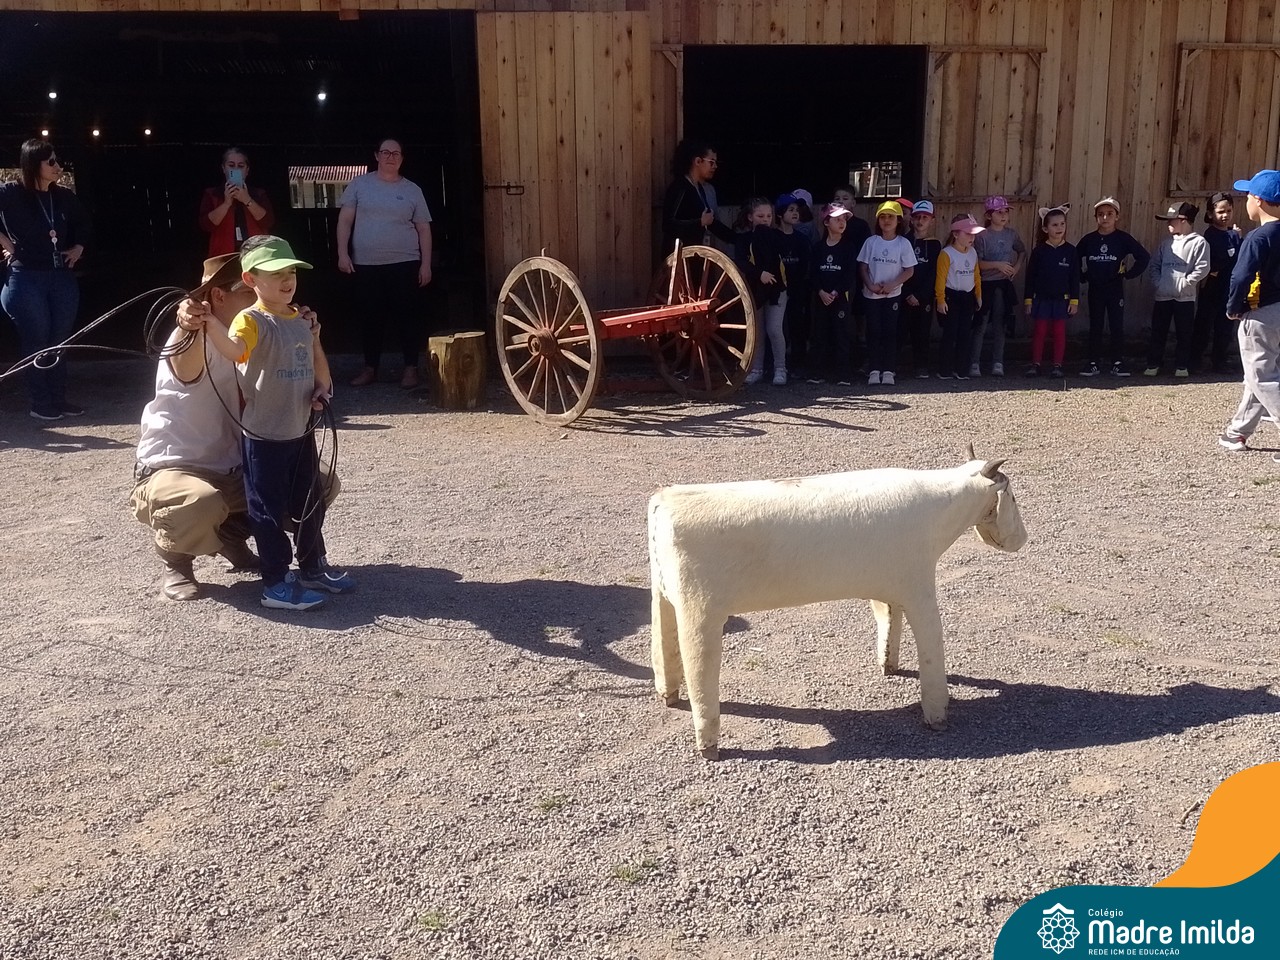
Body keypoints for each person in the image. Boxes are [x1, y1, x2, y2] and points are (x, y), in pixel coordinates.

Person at [132, 253, 341, 601]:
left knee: (318, 483)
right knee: (197, 503)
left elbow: (316, 384)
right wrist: (187, 323)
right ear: (218, 296)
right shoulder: (191, 336)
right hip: (180, 468)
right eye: (248, 289)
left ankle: (232, 538)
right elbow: (185, 370)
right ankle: (176, 560)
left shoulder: (265, 329)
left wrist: (309, 335)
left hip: (242, 464)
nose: (261, 295)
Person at [204, 235, 354, 611]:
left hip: (300, 430)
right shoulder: (250, 320)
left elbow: (321, 378)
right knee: (267, 510)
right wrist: (209, 324)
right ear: (251, 279)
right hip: (265, 435)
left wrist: (319, 383)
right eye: (275, 273)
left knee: (309, 500)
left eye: (291, 272)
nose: (287, 280)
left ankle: (313, 565)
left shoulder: (299, 319)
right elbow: (235, 351)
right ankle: (275, 582)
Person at [0, 138, 91, 421]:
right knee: (37, 339)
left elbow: (84, 222)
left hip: (60, 275)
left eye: (57, 160)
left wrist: (79, 247)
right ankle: (40, 403)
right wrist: (3, 240)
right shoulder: (11, 192)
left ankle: (58, 399)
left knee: (60, 340)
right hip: (25, 277)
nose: (57, 166)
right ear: (33, 164)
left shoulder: (62, 196)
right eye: (50, 162)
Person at [337, 138, 434, 390]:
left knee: (407, 316)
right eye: (386, 152)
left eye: (396, 153)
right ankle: (370, 369)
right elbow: (345, 221)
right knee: (370, 317)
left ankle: (411, 368)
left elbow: (424, 229)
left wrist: (426, 264)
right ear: (376, 156)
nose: (391, 157)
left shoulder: (412, 190)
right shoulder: (359, 185)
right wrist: (342, 253)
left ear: (402, 158)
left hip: (405, 263)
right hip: (366, 265)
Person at [1218, 170, 1280, 457]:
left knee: (1262, 376)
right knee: (1259, 374)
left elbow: (1241, 276)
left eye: (1248, 197)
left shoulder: (1258, 237)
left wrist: (1233, 307)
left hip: (1262, 313)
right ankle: (1238, 431)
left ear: (1258, 200)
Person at [1076, 196, 1150, 377]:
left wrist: (1129, 274)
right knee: (1096, 325)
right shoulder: (1089, 240)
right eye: (1100, 214)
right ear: (1095, 217)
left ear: (1117, 216)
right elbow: (1074, 258)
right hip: (1095, 288)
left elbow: (1143, 257)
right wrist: (1082, 276)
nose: (1105, 218)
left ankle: (1117, 362)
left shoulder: (1123, 239)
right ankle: (1093, 362)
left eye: (1110, 214)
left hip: (1115, 288)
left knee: (1116, 325)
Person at [1145, 201, 1210, 378]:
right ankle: (1153, 363)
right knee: (1158, 331)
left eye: (1171, 220)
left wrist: (1187, 282)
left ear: (1184, 220)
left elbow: (1203, 267)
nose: (1168, 223)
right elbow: (1154, 265)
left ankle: (1182, 365)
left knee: (1184, 333)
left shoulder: (1199, 242)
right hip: (1163, 296)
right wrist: (1159, 283)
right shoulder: (1166, 244)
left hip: (1185, 298)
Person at [857, 200, 916, 386]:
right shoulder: (871, 242)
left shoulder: (903, 244)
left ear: (899, 220)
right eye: (882, 216)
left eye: (891, 216)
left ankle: (889, 370)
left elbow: (909, 270)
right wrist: (870, 285)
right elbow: (863, 267)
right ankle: (874, 370)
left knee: (890, 332)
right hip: (871, 295)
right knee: (874, 331)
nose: (886, 220)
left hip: (893, 295)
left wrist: (893, 284)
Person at [734, 197, 787, 385]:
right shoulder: (743, 239)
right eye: (760, 216)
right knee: (757, 331)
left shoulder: (777, 237)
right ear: (750, 217)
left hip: (776, 290)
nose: (765, 219)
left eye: (768, 216)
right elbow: (741, 262)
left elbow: (780, 260)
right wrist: (759, 274)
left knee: (774, 329)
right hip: (754, 290)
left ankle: (780, 368)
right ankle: (756, 369)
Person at [971, 195, 1025, 378]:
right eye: (999, 212)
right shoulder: (981, 236)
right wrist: (997, 265)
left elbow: (1022, 251)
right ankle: (974, 363)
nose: (1003, 215)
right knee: (980, 325)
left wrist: (1016, 268)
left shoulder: (1011, 234)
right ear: (989, 215)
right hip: (985, 285)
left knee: (1000, 324)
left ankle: (998, 362)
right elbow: (977, 263)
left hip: (1004, 286)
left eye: (1006, 212)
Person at [1023, 204, 1079, 379]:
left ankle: (1057, 366)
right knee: (1039, 331)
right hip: (1041, 300)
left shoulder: (1071, 251)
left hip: (1062, 300)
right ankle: (1036, 364)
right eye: (1055, 225)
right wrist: (1028, 300)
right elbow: (1030, 277)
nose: (1059, 228)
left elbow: (1074, 278)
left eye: (1062, 224)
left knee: (1059, 332)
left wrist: (1074, 301)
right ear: (1045, 228)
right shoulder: (1039, 251)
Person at [807, 203, 860, 385]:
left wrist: (836, 292)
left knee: (841, 334)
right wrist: (821, 291)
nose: (842, 222)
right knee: (819, 333)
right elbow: (813, 273)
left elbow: (849, 274)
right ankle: (816, 372)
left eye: (844, 219)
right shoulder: (818, 248)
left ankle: (843, 374)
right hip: (821, 298)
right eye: (837, 219)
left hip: (840, 298)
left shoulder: (849, 247)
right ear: (826, 222)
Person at [660, 139, 735, 255]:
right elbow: (668, 225)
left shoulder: (699, 188)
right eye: (711, 162)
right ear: (698, 161)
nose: (715, 166)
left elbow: (712, 224)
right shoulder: (679, 187)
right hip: (678, 257)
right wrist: (699, 222)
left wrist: (739, 239)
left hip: (694, 254)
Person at [1196, 192, 1244, 373]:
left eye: (1229, 211)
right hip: (1211, 286)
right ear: (1210, 214)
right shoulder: (1210, 235)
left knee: (1225, 324)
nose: (1225, 215)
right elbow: (1215, 261)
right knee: (1204, 323)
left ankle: (1220, 361)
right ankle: (1195, 359)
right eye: (1221, 212)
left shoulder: (1234, 234)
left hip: (1228, 286)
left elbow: (1239, 258)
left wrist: (1238, 238)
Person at [197, 147, 275, 257]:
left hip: (255, 255)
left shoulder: (259, 194)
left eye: (241, 166)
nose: (236, 170)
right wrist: (226, 204)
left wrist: (247, 200)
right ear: (224, 168)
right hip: (224, 255)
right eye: (231, 165)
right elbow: (206, 225)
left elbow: (268, 222)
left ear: (247, 170)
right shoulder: (212, 194)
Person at [934, 214, 984, 381]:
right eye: (968, 233)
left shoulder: (973, 252)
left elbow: (976, 275)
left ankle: (961, 369)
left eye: (973, 234)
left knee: (964, 334)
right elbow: (940, 279)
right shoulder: (946, 254)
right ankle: (945, 370)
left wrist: (978, 295)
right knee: (950, 334)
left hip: (967, 297)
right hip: (952, 297)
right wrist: (940, 300)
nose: (972, 237)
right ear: (956, 234)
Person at [902, 200, 941, 378]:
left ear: (932, 220)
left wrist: (921, 295)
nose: (920, 221)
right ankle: (891, 365)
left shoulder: (935, 245)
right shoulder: (903, 241)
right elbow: (898, 270)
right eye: (917, 217)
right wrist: (908, 293)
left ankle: (921, 366)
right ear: (911, 219)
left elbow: (933, 272)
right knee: (900, 330)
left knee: (922, 332)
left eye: (925, 217)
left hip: (924, 297)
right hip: (904, 294)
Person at [774, 193, 811, 381]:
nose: (795, 213)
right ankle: (774, 365)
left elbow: (805, 265)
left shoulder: (802, 239)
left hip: (797, 289)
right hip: (776, 290)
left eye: (797, 210)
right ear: (780, 214)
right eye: (790, 210)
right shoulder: (772, 238)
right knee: (775, 328)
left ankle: (799, 365)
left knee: (797, 327)